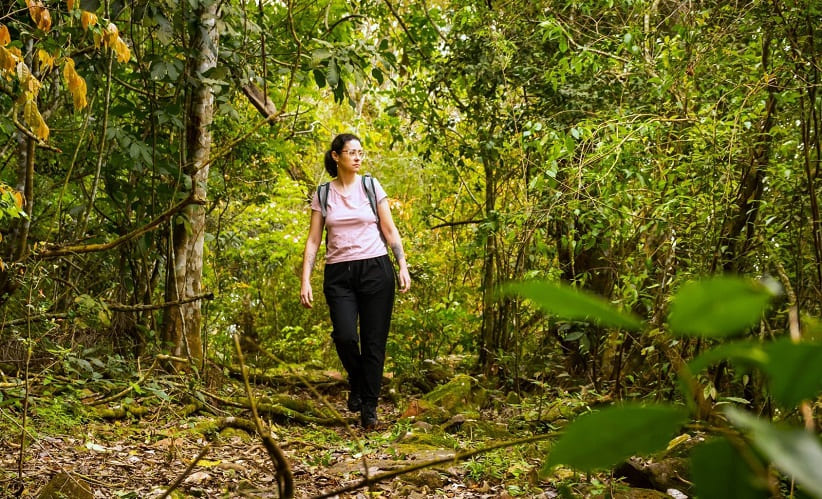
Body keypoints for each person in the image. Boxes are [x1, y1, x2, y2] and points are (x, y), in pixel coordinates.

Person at [300, 133, 411, 429]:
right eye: (352, 152)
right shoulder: (323, 194)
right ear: (336, 156)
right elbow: (313, 241)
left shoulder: (371, 186)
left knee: (374, 342)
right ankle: (357, 380)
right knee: (346, 336)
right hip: (339, 274)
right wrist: (306, 279)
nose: (358, 157)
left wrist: (402, 264)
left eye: (361, 152)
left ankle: (369, 408)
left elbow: (390, 230)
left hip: (376, 269)